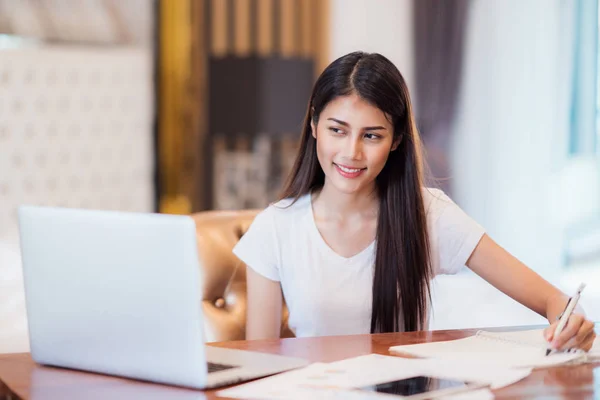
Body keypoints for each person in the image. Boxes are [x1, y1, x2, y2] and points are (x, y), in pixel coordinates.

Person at [232, 51, 596, 352]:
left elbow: (556, 302)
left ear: (396, 140)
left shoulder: (427, 214)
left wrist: (568, 320)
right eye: (337, 130)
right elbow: (260, 365)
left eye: (371, 135)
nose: (351, 152)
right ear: (314, 127)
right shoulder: (276, 228)